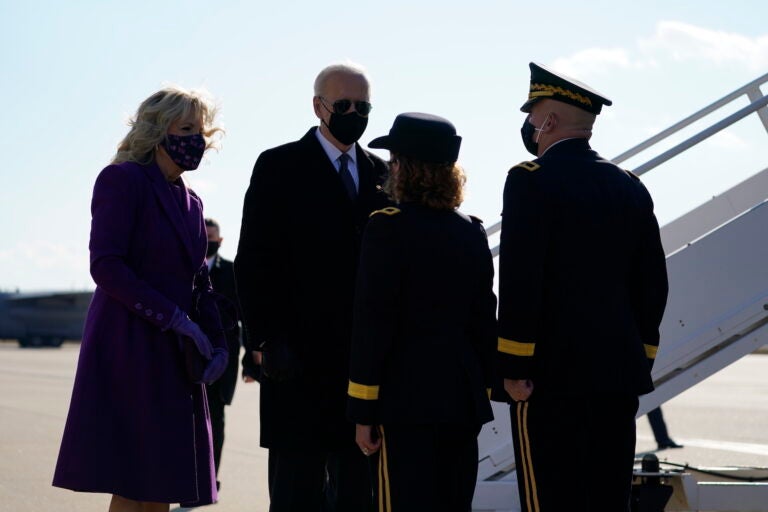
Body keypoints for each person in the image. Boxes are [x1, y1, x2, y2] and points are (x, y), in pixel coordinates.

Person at [496, 62, 669, 511]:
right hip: (617, 377)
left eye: (533, 115)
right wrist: (639, 354)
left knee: (552, 501)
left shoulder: (530, 180)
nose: (530, 126)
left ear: (548, 121)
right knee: (606, 500)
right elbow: (652, 285)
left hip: (549, 380)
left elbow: (520, 279)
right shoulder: (629, 185)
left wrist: (513, 367)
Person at [53, 86, 229, 512]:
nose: (197, 139)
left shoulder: (191, 201)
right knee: (133, 479)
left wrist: (217, 339)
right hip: (129, 347)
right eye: (187, 128)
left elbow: (200, 279)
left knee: (163, 483)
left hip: (173, 356)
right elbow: (106, 265)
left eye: (201, 130)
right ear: (158, 128)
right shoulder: (122, 179)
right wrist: (172, 317)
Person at [234, 62, 389, 512]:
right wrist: (263, 338)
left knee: (358, 492)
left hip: (360, 365)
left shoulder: (381, 172)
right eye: (344, 105)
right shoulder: (279, 165)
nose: (354, 113)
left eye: (363, 106)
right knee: (296, 490)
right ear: (318, 106)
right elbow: (254, 260)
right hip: (295, 358)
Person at [347, 113, 497, 512]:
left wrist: (363, 409)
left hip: (403, 400)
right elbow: (484, 320)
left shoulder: (387, 227)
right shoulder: (471, 230)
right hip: (460, 401)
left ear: (403, 167)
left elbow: (372, 323)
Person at [204, 217, 247, 491]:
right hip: (186, 360)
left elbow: (244, 316)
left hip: (221, 362)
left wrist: (250, 358)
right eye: (204, 236)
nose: (208, 242)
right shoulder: (182, 268)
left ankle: (210, 480)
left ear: (220, 241)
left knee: (215, 423)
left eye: (212, 238)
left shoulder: (232, 272)